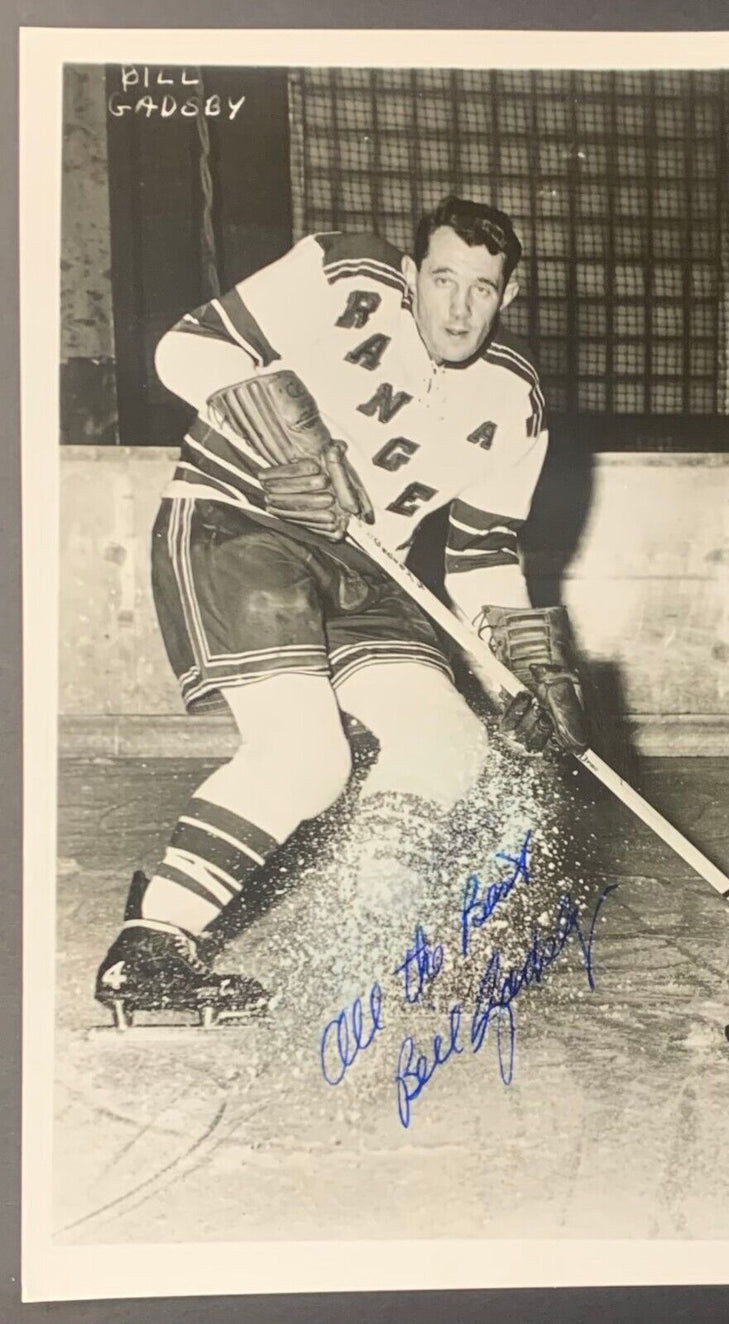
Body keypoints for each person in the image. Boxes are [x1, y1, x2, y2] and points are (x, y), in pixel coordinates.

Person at [94, 196, 588, 1029]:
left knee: (448, 741)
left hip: (368, 565)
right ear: (410, 274)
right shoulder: (343, 272)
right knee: (306, 757)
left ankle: (374, 928)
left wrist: (525, 669)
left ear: (508, 295)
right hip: (241, 521)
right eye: (442, 280)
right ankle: (151, 947)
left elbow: (480, 553)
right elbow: (185, 346)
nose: (458, 308)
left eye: (481, 288)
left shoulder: (516, 401)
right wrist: (290, 437)